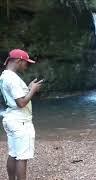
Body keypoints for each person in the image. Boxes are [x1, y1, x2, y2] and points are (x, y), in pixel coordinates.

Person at [0, 49, 43, 180]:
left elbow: (16, 97)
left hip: (11, 118)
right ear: (18, 60)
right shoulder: (12, 79)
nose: (27, 66)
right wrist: (33, 90)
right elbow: (22, 102)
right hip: (20, 121)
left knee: (13, 154)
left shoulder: (4, 76)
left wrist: (28, 88)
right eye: (26, 63)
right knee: (22, 157)